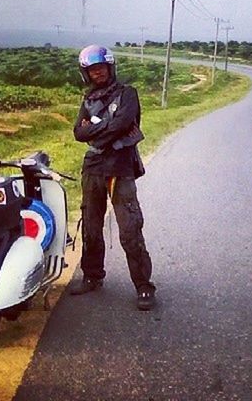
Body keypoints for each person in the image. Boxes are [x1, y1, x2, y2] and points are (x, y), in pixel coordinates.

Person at [69, 44, 156, 311]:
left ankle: (143, 286)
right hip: (93, 167)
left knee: (129, 227)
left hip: (120, 167)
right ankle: (93, 275)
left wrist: (95, 128)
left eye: (102, 68)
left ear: (110, 67)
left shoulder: (127, 94)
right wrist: (104, 129)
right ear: (87, 73)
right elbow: (78, 133)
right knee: (91, 225)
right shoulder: (88, 100)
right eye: (93, 70)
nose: (98, 73)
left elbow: (124, 122)